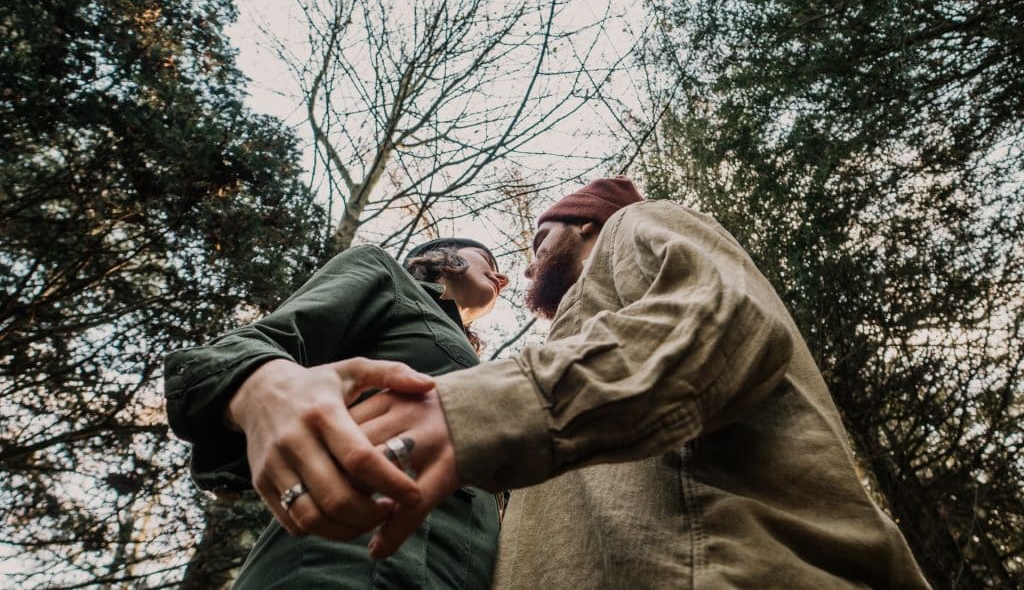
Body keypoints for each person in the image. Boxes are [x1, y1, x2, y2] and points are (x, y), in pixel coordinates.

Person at [351, 177, 932, 588]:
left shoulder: (633, 225)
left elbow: (723, 318)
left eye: (537, 241)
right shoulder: (575, 336)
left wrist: (473, 415)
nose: (525, 269)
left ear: (584, 222)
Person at [163, 238, 509, 588]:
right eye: (485, 257)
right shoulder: (387, 277)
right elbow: (246, 346)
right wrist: (262, 386)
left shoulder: (485, 373)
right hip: (339, 567)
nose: (501, 276)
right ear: (443, 256)